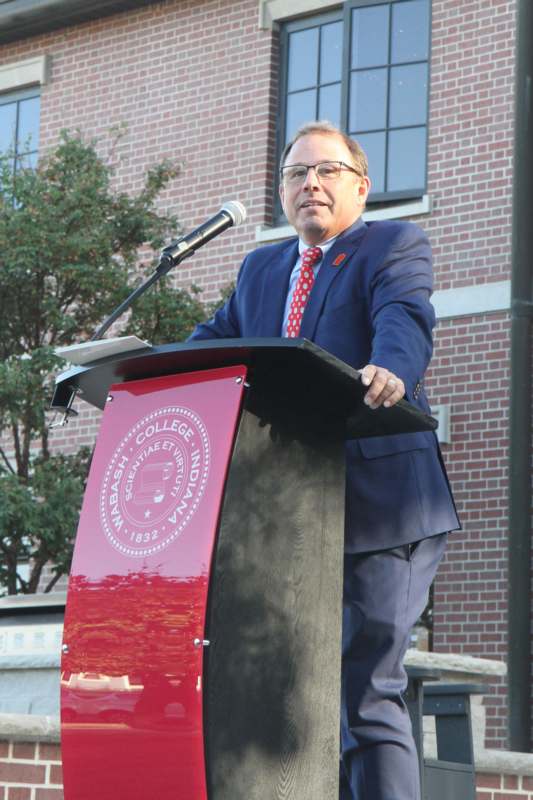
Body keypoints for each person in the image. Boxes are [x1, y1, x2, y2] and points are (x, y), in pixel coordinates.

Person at [188, 121, 460, 800]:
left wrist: (392, 370)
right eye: (294, 173)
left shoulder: (391, 244)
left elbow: (404, 318)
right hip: (286, 512)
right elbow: (209, 343)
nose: (309, 183)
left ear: (360, 187)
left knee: (365, 691)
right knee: (299, 697)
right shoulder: (261, 268)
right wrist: (134, 369)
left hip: (383, 507)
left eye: (326, 171)